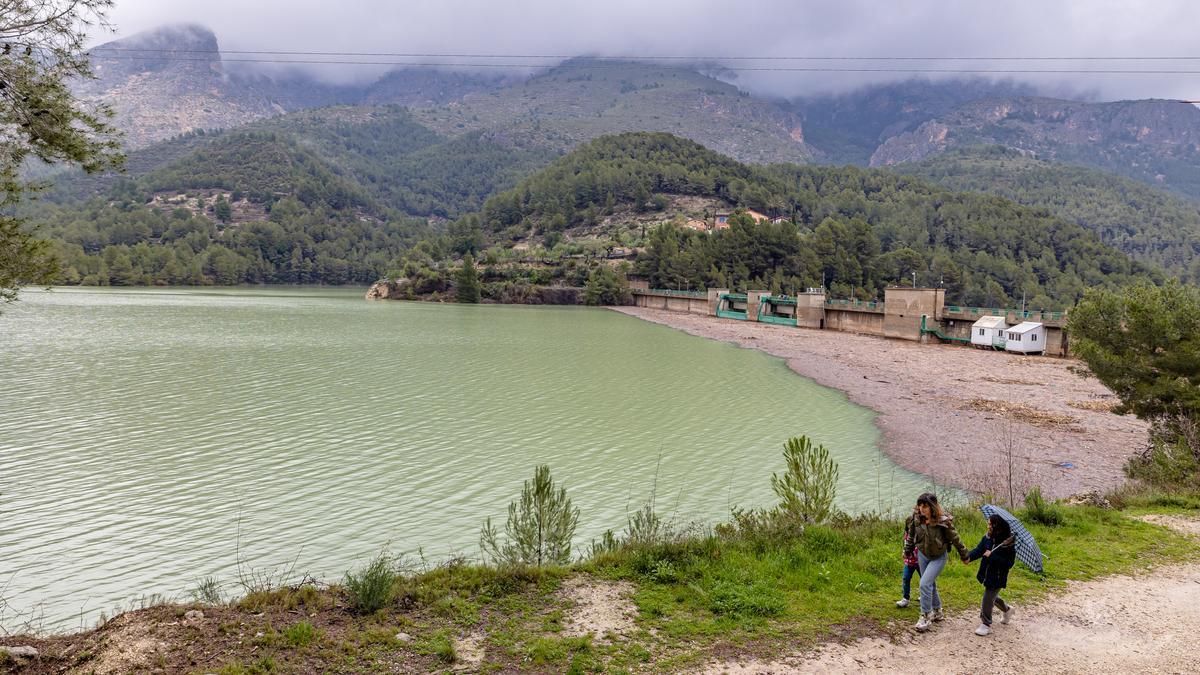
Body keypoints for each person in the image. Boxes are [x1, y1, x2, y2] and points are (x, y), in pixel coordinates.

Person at [903, 492, 968, 632]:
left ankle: (926, 616)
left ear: (932, 507)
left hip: (939, 557)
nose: (922, 509)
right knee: (930, 584)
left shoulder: (943, 522)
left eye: (925, 506)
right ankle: (938, 611)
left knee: (924, 584)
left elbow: (956, 539)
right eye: (920, 505)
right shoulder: (915, 519)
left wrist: (964, 555)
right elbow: (911, 536)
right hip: (922, 555)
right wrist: (907, 551)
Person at [964, 514, 1017, 636]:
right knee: (991, 597)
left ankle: (986, 623)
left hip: (998, 576)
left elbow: (1009, 563)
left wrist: (992, 556)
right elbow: (979, 550)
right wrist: (968, 557)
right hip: (986, 573)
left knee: (988, 598)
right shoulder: (987, 538)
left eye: (990, 524)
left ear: (997, 526)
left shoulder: (1008, 544)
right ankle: (1007, 610)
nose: (988, 526)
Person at [896, 508, 921, 608]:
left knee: (925, 580)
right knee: (906, 578)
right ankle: (905, 598)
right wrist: (904, 552)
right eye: (909, 525)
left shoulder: (920, 535)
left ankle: (926, 596)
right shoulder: (906, 535)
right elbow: (906, 545)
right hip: (909, 561)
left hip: (920, 561)